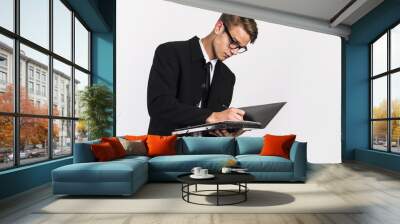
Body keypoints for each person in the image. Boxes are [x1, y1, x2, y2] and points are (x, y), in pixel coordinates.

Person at [147, 14, 258, 136]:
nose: (234, 51)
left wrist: (227, 133)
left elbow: (213, 129)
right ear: (219, 27)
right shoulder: (170, 52)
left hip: (207, 152)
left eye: (240, 48)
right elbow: (159, 106)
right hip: (166, 150)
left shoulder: (228, 77)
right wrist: (213, 117)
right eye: (234, 42)